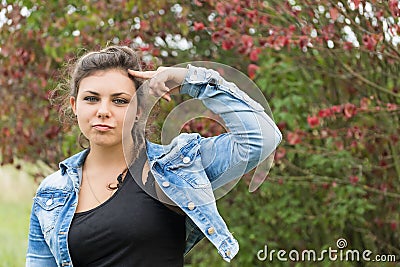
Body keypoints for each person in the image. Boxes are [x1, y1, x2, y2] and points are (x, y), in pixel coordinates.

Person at [26, 45, 282, 267]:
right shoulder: (52, 193)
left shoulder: (176, 167)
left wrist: (189, 79)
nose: (103, 111)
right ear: (74, 105)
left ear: (139, 109)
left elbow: (262, 137)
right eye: (92, 99)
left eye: (120, 101)